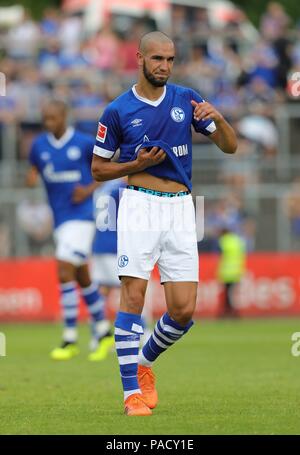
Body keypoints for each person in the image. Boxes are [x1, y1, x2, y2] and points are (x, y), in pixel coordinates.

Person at [91, 31, 237, 416]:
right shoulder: (118, 110)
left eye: (170, 60)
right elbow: (98, 168)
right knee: (134, 297)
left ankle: (144, 365)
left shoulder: (187, 99)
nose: (165, 66)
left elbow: (230, 146)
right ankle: (130, 396)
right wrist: (134, 166)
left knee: (184, 310)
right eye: (157, 59)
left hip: (182, 208)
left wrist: (219, 117)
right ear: (139, 58)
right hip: (139, 204)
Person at [26, 100, 113, 361]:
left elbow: (104, 170)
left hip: (83, 216)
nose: (48, 122)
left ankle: (69, 338)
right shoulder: (39, 146)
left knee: (64, 269)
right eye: (45, 118)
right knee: (82, 276)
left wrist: (87, 190)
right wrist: (30, 178)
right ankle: (103, 330)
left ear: (64, 116)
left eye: (53, 117)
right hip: (60, 219)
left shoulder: (84, 144)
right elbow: (34, 170)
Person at [90, 177, 152, 361]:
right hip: (117, 244)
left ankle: (98, 334)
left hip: (99, 244)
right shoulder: (123, 189)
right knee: (131, 288)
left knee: (102, 291)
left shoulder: (102, 189)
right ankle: (143, 331)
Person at [217, 227, 246, 318]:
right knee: (231, 294)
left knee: (228, 294)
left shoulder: (224, 241)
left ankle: (229, 312)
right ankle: (231, 311)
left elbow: (218, 253)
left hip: (227, 272)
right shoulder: (238, 241)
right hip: (236, 271)